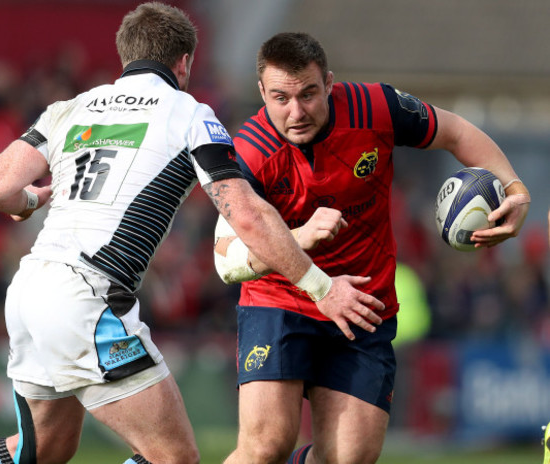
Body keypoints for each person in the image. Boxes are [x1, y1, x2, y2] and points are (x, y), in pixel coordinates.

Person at [0, 5, 384, 464]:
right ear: (184, 63)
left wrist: (28, 202)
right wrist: (321, 288)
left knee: (40, 451)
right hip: (87, 295)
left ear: (125, 57)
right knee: (174, 458)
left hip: (28, 290)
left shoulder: (72, 106)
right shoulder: (189, 113)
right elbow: (247, 217)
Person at [214, 32, 531, 464]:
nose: (296, 111)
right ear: (261, 94)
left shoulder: (374, 108)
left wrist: (515, 189)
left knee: (350, 457)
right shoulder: (249, 152)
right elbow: (225, 259)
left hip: (364, 302)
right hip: (281, 302)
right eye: (281, 98)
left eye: (308, 94)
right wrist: (298, 237)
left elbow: (455, 131)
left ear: (328, 82)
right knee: (266, 446)